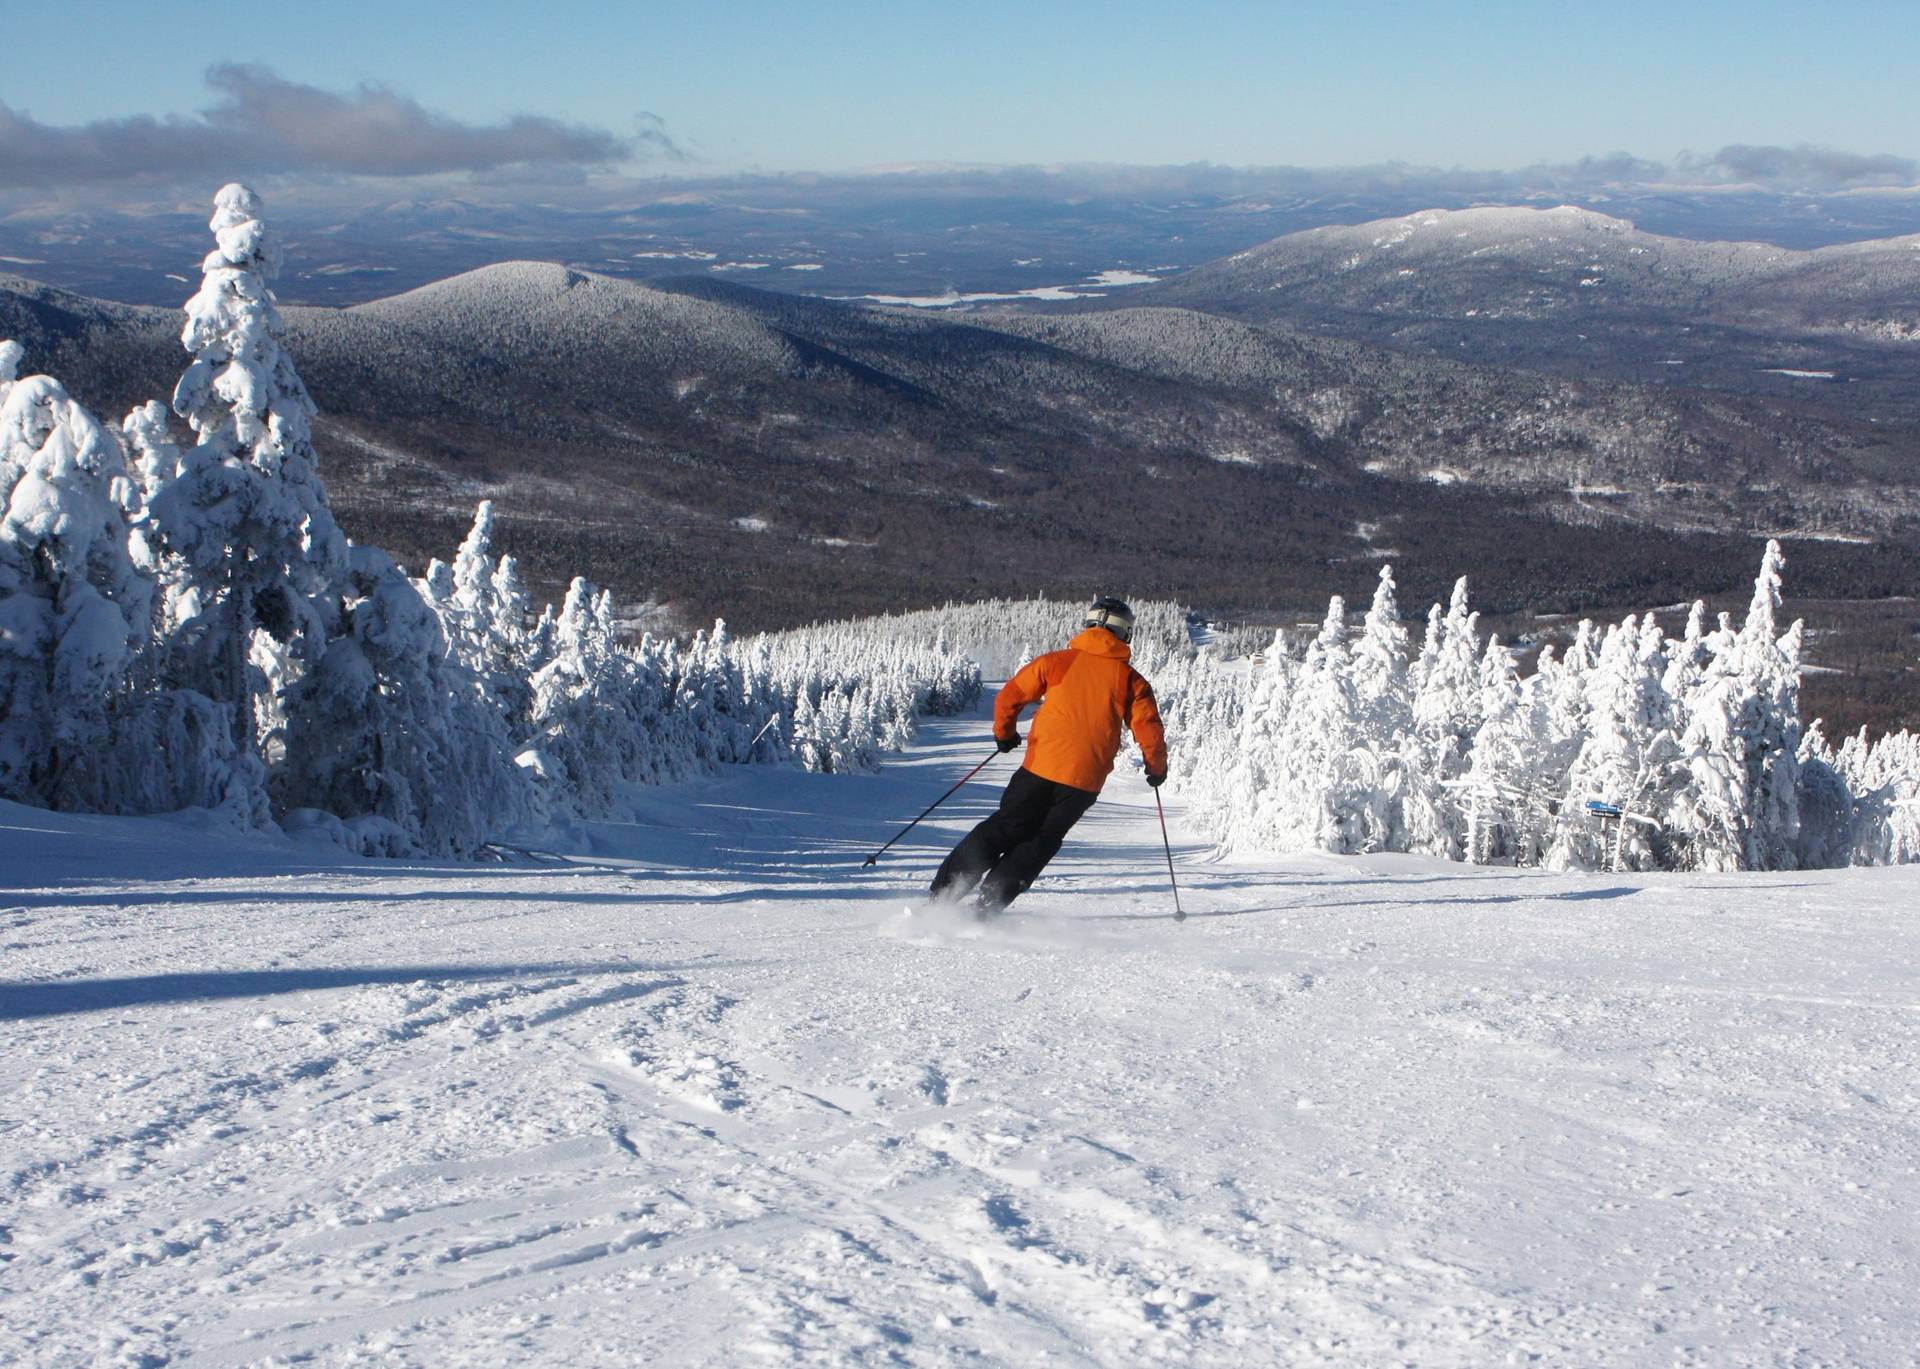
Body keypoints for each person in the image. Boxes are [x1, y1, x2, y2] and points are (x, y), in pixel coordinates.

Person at [931, 596, 1168, 912]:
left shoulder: (1057, 662)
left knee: (1004, 827)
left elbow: (1010, 697)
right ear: (1125, 633)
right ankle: (987, 908)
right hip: (1084, 781)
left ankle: (943, 896)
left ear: (1088, 625)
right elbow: (1149, 728)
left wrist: (1005, 735)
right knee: (1041, 840)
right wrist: (1156, 768)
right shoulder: (1131, 682)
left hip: (1039, 768)